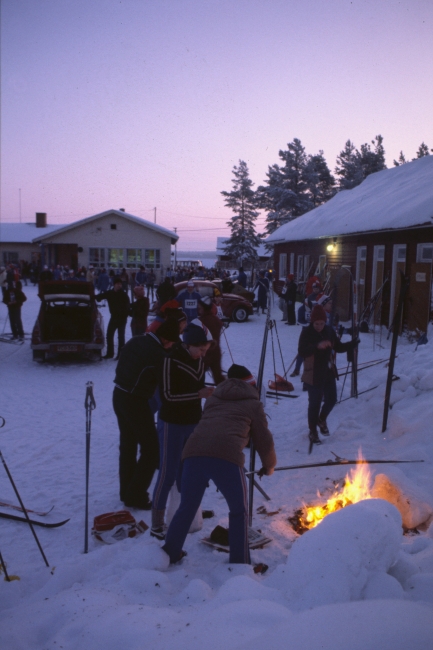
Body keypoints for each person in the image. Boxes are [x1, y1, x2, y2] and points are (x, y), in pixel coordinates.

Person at [162, 363, 276, 565]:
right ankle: (240, 563)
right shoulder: (253, 404)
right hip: (227, 456)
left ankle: (170, 553)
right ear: (252, 385)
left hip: (193, 452)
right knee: (238, 511)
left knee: (187, 506)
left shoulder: (213, 399)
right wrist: (269, 466)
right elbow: (264, 441)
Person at [151, 323, 214, 539]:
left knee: (189, 472)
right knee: (168, 472)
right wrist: (199, 394)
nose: (203, 354)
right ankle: (157, 522)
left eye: (205, 351)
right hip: (172, 423)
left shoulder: (198, 360)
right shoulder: (169, 361)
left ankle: (189, 511)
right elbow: (167, 397)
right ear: (188, 345)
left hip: (193, 422)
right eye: (200, 350)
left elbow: (198, 389)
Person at [113, 319, 180, 510]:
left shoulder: (136, 340)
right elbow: (167, 378)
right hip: (135, 401)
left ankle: (126, 491)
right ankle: (136, 495)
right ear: (165, 339)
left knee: (128, 445)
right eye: (172, 343)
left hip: (118, 395)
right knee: (151, 450)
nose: (172, 347)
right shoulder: (156, 354)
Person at [298, 304, 358, 446]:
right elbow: (302, 351)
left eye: (322, 323)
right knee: (315, 403)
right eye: (316, 323)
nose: (319, 326)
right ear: (312, 322)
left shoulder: (329, 331)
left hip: (328, 371)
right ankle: (313, 431)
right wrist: (317, 346)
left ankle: (321, 419)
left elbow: (339, 347)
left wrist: (352, 344)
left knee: (331, 399)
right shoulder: (306, 333)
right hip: (313, 373)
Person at [96, 277, 130, 359]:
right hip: (114, 317)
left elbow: (127, 307)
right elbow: (101, 296)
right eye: (118, 284)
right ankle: (110, 353)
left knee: (121, 337)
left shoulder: (124, 295)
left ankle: (120, 354)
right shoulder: (110, 293)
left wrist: (124, 315)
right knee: (109, 335)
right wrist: (95, 297)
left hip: (122, 318)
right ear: (114, 285)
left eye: (120, 284)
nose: (119, 286)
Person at [197, 296, 225, 385]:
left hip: (204, 354)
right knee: (218, 377)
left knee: (198, 376)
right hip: (216, 353)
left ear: (204, 308)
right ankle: (225, 392)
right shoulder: (216, 319)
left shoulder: (201, 321)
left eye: (200, 308)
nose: (198, 310)